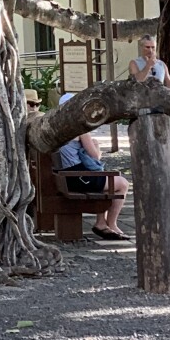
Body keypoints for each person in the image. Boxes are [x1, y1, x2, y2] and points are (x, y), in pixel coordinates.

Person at [55, 93, 128, 240]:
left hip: (63, 176)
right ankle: (111, 224)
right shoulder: (79, 127)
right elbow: (95, 156)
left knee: (102, 177)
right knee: (122, 183)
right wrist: (96, 146)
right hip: (75, 176)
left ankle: (101, 222)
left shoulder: (56, 126)